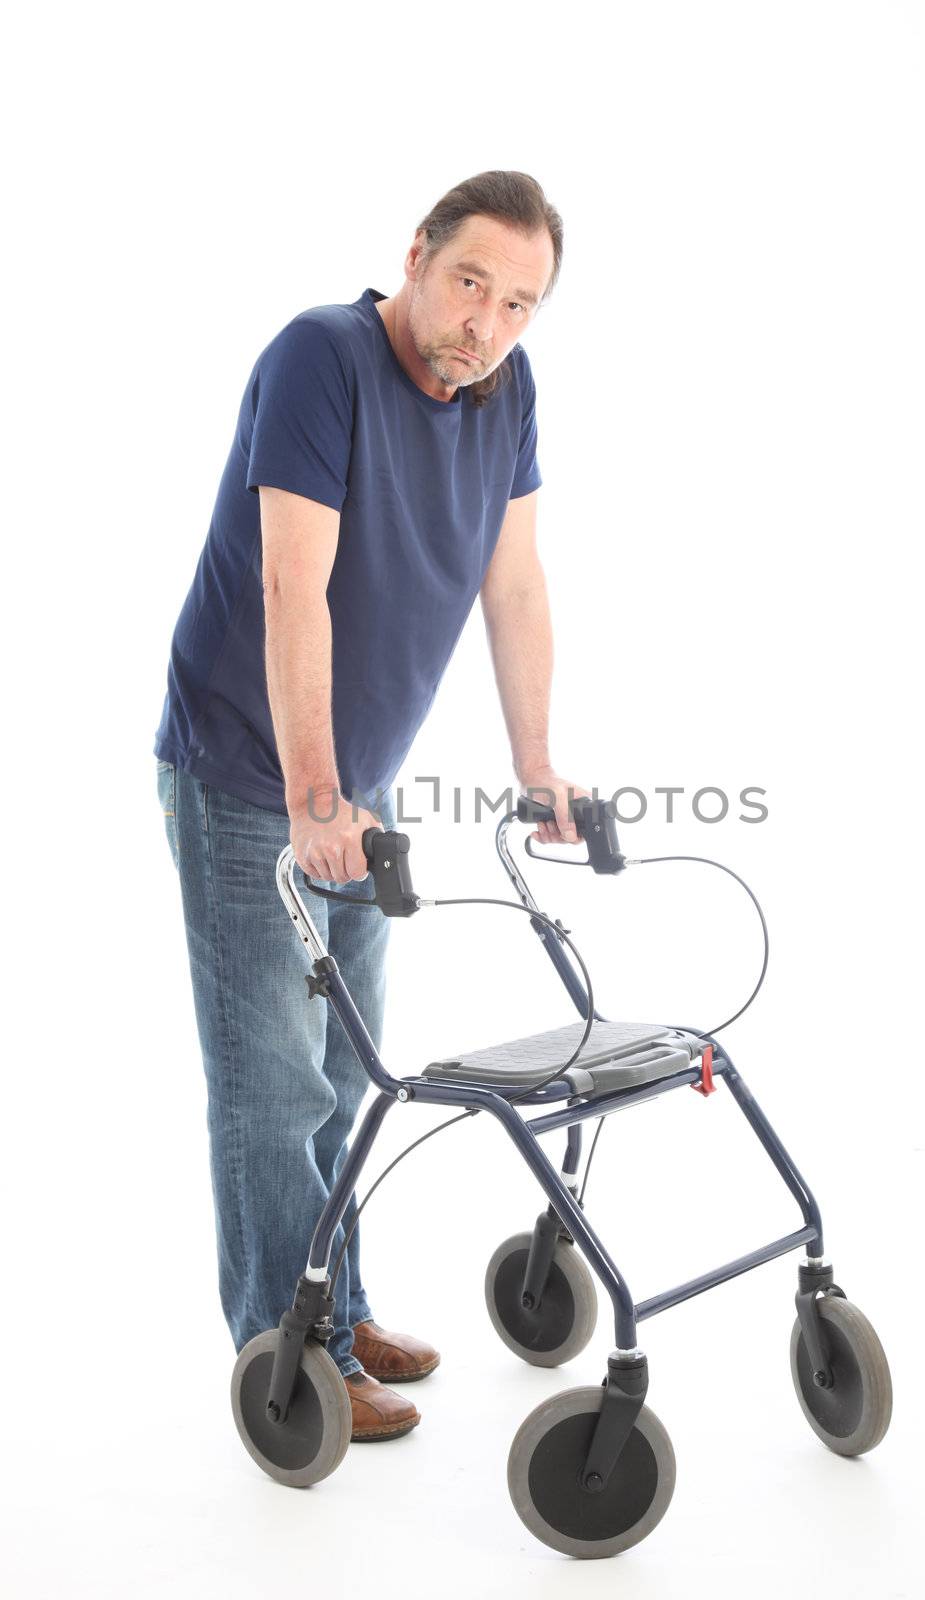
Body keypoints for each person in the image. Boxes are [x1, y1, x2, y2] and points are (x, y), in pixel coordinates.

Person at [153, 169, 588, 1444]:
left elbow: (515, 584)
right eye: (470, 284)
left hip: (355, 780)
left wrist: (537, 765)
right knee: (272, 1085)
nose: (487, 324)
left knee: (349, 1071)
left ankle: (338, 1302)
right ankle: (285, 1354)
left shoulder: (502, 392)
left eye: (519, 304)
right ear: (415, 255)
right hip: (253, 770)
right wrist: (311, 795)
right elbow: (296, 584)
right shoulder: (319, 358)